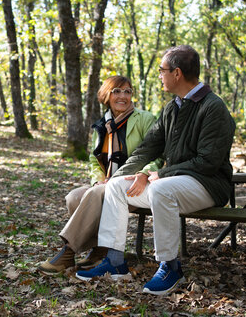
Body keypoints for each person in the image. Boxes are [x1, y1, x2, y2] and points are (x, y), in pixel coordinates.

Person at [76, 45, 236, 296]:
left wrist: (162, 173)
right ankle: (115, 261)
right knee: (118, 188)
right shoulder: (172, 108)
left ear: (177, 73)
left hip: (208, 184)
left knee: (160, 188)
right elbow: (146, 149)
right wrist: (114, 178)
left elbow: (209, 161)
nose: (160, 75)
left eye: (162, 70)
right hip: (175, 184)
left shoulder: (213, 107)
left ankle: (170, 266)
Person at [38, 76, 161, 274]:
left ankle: (68, 252)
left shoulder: (145, 119)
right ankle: (99, 250)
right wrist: (98, 180)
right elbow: (93, 159)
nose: (123, 96)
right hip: (106, 182)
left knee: (95, 196)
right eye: (117, 91)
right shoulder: (103, 124)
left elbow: (157, 154)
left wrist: (144, 173)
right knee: (74, 197)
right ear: (106, 95)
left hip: (132, 183)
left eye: (127, 91)